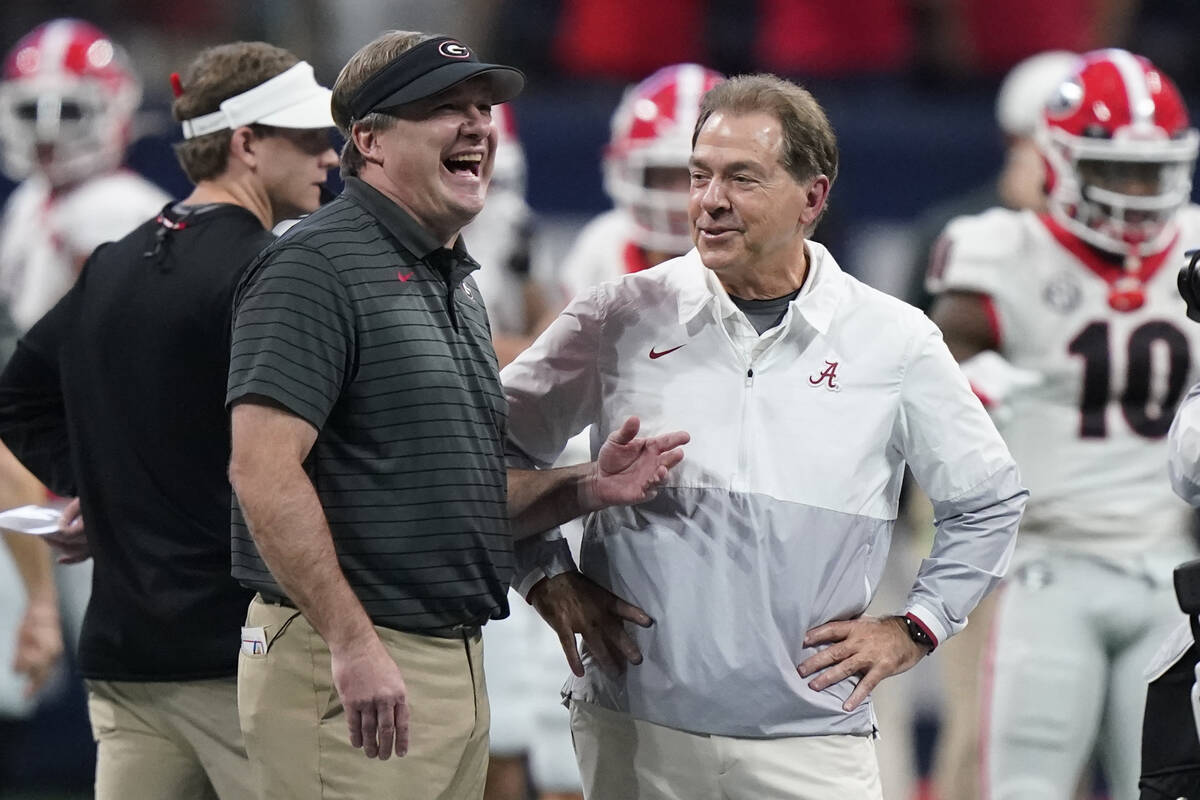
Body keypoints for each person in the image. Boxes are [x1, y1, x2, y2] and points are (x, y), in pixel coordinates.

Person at [502, 73, 1027, 800]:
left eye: (742, 178)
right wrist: (544, 575)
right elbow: (487, 451)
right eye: (700, 175)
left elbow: (991, 502)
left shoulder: (894, 339)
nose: (710, 200)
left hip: (813, 741)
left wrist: (916, 626)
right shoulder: (616, 316)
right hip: (638, 731)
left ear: (813, 196)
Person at [225, 30, 689, 800]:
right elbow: (261, 469)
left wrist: (583, 487)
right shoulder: (315, 264)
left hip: (447, 656)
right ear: (368, 139)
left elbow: (455, 493)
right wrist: (350, 640)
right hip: (349, 656)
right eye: (445, 107)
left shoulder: (452, 279)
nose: (478, 124)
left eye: (483, 106)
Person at [0, 41, 341, 799]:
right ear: (248, 144)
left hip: (126, 656)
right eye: (310, 137)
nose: (330, 154)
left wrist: (106, 493)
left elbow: (17, 398)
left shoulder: (118, 257)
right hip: (242, 654)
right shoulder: (274, 269)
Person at [927, 49, 1200, 800]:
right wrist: (971, 383)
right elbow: (940, 355)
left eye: (1151, 171)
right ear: (1059, 161)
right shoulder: (1005, 248)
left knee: (1174, 786)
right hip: (1046, 563)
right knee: (1027, 786)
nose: (1138, 193)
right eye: (1117, 170)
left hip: (1171, 573)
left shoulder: (1194, 249)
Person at [0, 15, 169, 738]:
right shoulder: (30, 205)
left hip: (90, 479)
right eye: (30, 109)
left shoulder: (115, 209)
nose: (46, 129)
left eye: (67, 108)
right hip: (39, 470)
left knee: (137, 694)